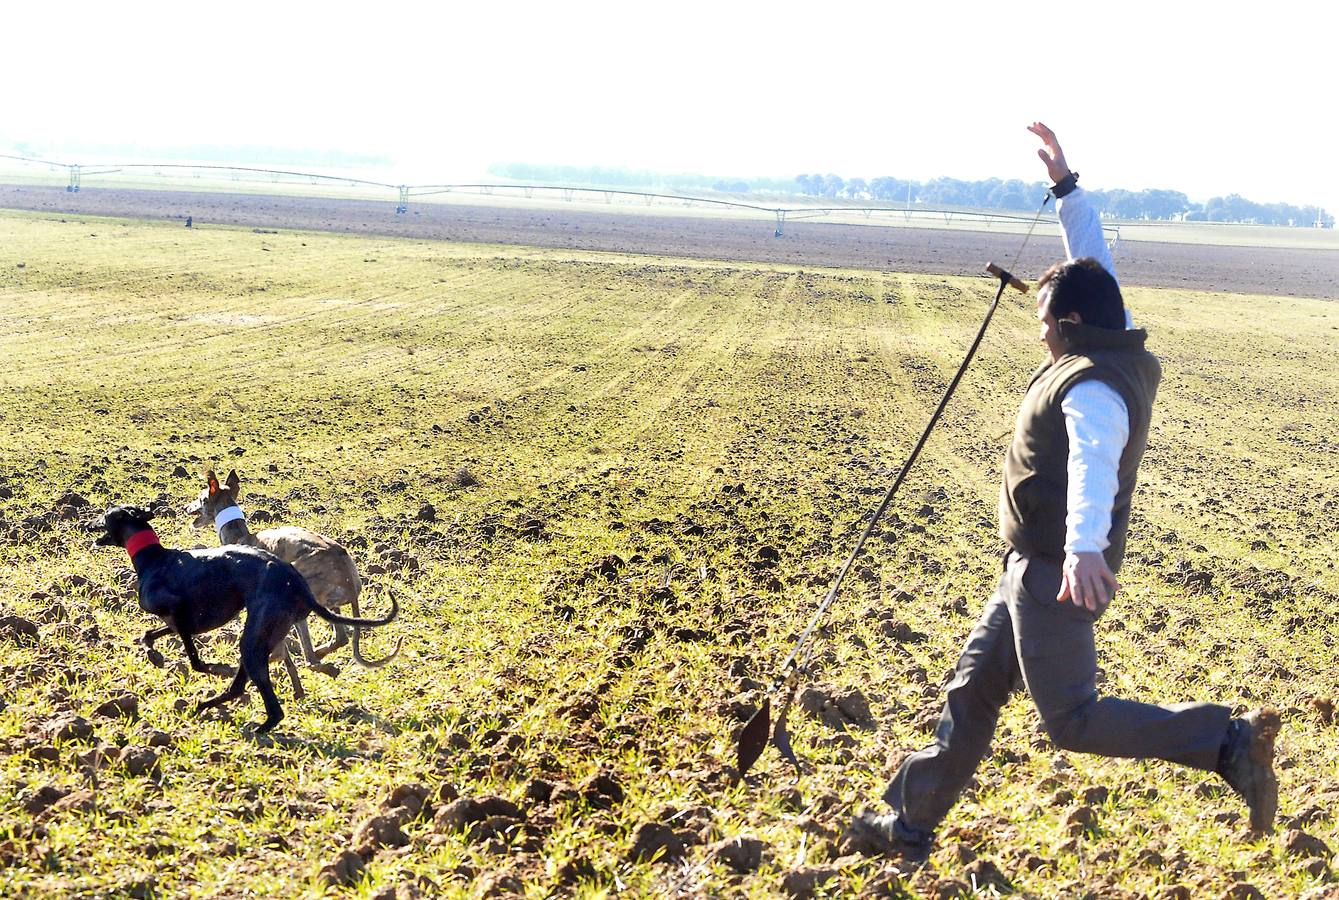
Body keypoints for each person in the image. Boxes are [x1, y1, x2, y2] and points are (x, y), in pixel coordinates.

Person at [845, 122, 1280, 862]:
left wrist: (1081, 549)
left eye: (1045, 322)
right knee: (972, 691)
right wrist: (1066, 188)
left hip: (1054, 569)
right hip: (1031, 564)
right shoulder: (1108, 335)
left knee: (1071, 718)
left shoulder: (1093, 390)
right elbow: (1092, 266)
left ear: (1071, 323)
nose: (1038, 333)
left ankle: (1225, 742)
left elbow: (1092, 463)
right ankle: (909, 825)